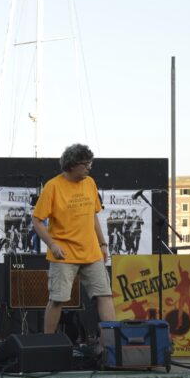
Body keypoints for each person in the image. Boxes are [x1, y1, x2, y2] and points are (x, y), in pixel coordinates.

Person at [31, 143, 115, 336]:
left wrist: (103, 244)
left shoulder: (90, 183)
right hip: (64, 253)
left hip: (92, 252)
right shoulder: (53, 186)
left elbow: (93, 215)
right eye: (85, 164)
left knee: (105, 295)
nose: (89, 167)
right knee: (57, 299)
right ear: (72, 165)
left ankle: (113, 344)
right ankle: (48, 344)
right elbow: (36, 220)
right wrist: (52, 245)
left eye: (90, 163)